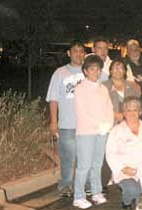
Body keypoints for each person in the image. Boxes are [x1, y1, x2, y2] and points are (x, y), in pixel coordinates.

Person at [73, 55, 114, 209]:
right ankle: (78, 196)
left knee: (97, 164)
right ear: (85, 71)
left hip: (102, 132)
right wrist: (99, 126)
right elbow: (82, 112)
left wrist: (108, 124)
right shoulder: (80, 88)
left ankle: (96, 192)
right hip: (86, 132)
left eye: (98, 69)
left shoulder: (103, 88)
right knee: (84, 165)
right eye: (92, 69)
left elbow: (109, 108)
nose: (95, 72)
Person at [46, 40, 86, 197]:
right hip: (67, 124)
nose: (78, 54)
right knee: (68, 158)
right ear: (69, 53)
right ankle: (66, 185)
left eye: (81, 51)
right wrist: (54, 121)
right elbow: (53, 99)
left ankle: (85, 185)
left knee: (85, 157)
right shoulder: (60, 73)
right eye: (75, 50)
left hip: (87, 125)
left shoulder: (91, 71)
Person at [106, 96, 142, 209]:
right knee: (136, 193)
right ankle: (126, 200)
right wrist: (122, 168)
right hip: (125, 171)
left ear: (140, 112)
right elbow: (110, 153)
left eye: (135, 110)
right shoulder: (116, 131)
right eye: (128, 110)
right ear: (124, 113)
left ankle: (135, 197)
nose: (132, 113)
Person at [103, 59, 140, 123]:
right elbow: (99, 106)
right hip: (109, 123)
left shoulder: (132, 86)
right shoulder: (103, 87)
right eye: (115, 68)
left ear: (125, 71)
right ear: (110, 71)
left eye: (121, 68)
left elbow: (138, 106)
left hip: (129, 122)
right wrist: (113, 114)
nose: (118, 70)